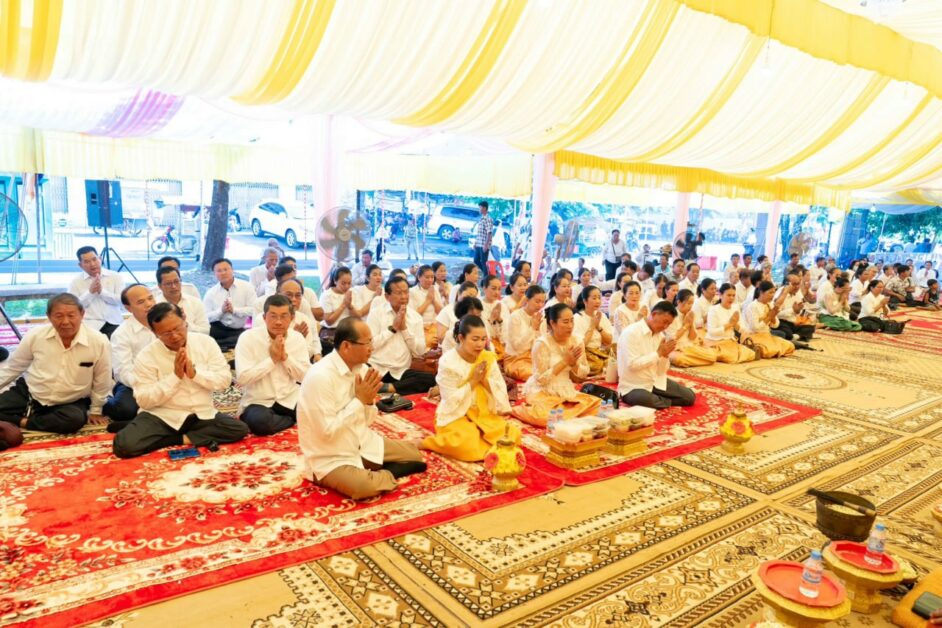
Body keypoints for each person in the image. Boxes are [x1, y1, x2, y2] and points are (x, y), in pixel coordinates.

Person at [297, 317, 426, 499]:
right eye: (367, 343)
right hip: (330, 456)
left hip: (361, 441)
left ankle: (373, 470)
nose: (371, 348)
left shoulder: (362, 369)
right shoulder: (320, 377)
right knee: (363, 488)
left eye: (371, 342)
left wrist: (368, 402)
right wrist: (359, 401)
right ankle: (388, 473)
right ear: (346, 346)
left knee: (414, 455)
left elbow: (367, 421)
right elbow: (327, 433)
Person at [112, 303, 247, 458]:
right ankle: (188, 436)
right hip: (162, 416)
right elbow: (144, 400)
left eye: (177, 328)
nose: (175, 336)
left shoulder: (206, 343)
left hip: (200, 413)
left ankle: (171, 440)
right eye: (166, 333)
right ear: (154, 333)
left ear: (184, 319)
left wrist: (195, 374)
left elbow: (224, 381)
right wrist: (175, 377)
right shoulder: (146, 356)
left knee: (239, 429)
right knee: (124, 446)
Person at [0, 294, 112, 442]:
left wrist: (96, 410)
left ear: (82, 314)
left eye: (71, 315)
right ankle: (35, 418)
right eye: (59, 316)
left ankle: (22, 420)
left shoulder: (98, 341)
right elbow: (14, 367)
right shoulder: (36, 335)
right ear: (49, 316)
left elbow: (102, 378)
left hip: (70, 401)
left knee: (74, 420)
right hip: (31, 393)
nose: (65, 322)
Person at [422, 315, 517, 461]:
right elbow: (450, 399)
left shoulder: (487, 357)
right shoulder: (448, 361)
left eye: (483, 339)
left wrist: (483, 379)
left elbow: (499, 389)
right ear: (461, 338)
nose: (480, 344)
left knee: (512, 434)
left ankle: (484, 442)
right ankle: (427, 443)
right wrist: (473, 380)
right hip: (457, 414)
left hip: (482, 412)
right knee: (466, 442)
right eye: (475, 339)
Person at [514, 303, 600, 426]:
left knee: (598, 405)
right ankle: (523, 411)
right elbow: (541, 380)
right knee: (546, 417)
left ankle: (568, 413)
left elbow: (584, 373)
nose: (570, 326)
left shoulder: (577, 341)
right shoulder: (542, 344)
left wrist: (574, 364)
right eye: (565, 322)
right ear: (553, 323)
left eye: (572, 321)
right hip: (543, 390)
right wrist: (564, 362)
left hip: (565, 389)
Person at [235, 295, 310, 436]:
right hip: (259, 401)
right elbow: (243, 378)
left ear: (292, 318)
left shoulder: (297, 338)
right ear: (264, 318)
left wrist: (285, 358)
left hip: (289, 397)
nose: (278, 322)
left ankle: (288, 418)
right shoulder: (248, 338)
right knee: (261, 423)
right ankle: (291, 419)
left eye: (284, 316)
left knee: (318, 409)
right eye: (273, 316)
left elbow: (305, 376)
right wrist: (272, 360)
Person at [617, 302, 696, 409]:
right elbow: (632, 365)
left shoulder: (660, 336)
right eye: (665, 322)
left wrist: (665, 356)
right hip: (633, 386)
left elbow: (660, 372)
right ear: (654, 314)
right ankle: (660, 399)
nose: (665, 327)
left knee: (690, 397)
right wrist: (658, 353)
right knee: (647, 399)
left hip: (655, 381)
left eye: (669, 324)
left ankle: (660, 399)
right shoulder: (631, 333)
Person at [367, 276, 436, 396]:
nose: (404, 297)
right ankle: (390, 387)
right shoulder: (376, 314)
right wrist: (393, 329)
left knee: (429, 379)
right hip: (375, 367)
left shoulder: (415, 317)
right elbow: (370, 345)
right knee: (356, 372)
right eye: (399, 293)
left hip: (400, 372)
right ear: (387, 296)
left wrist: (404, 329)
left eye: (406, 292)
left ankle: (388, 387)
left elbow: (420, 352)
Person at [103, 284, 156, 424]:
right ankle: (105, 401)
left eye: (150, 298)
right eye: (141, 302)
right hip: (135, 382)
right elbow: (122, 372)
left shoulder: (165, 323)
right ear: (128, 308)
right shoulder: (121, 334)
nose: (149, 304)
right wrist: (147, 386)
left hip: (166, 378)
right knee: (126, 410)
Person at [69, 246, 125, 338]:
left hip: (114, 323)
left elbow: (122, 301)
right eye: (87, 262)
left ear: (100, 259)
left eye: (94, 259)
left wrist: (102, 292)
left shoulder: (116, 277)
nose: (92, 264)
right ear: (80, 265)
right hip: (89, 325)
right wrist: (90, 292)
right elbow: (73, 307)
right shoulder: (75, 282)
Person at [203, 258, 256, 351]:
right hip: (219, 328)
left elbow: (254, 309)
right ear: (214, 274)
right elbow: (205, 317)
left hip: (238, 328)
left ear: (232, 270)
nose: (223, 273)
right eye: (219, 271)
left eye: (225, 269)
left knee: (247, 337)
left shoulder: (247, 287)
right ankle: (225, 344)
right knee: (205, 335)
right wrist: (221, 311)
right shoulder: (211, 293)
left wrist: (234, 310)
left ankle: (222, 344)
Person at [741, 281, 795, 358]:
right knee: (769, 350)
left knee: (790, 346)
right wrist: (769, 317)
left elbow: (776, 325)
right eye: (770, 292)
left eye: (773, 292)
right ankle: (757, 349)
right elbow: (755, 328)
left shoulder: (770, 304)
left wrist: (773, 316)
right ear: (761, 292)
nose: (772, 295)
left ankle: (764, 350)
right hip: (753, 335)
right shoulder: (753, 306)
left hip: (766, 335)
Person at [504, 285, 547, 381]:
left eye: (543, 302)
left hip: (534, 357)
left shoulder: (541, 317)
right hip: (515, 359)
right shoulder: (515, 317)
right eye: (537, 301)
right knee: (534, 375)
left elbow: (542, 343)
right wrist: (533, 328)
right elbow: (517, 347)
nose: (540, 305)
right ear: (527, 300)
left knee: (555, 369)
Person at [704, 284, 756, 363]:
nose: (731, 298)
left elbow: (743, 329)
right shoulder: (713, 309)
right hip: (716, 342)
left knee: (750, 354)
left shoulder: (735, 308)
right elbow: (712, 332)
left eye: (733, 295)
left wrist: (735, 325)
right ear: (720, 295)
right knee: (730, 357)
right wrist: (729, 325)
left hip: (729, 341)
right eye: (728, 295)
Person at [667, 290, 717, 368]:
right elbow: (673, 339)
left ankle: (690, 359)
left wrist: (691, 324)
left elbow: (692, 337)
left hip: (688, 347)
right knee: (679, 359)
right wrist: (686, 325)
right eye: (688, 303)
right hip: (675, 349)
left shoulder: (690, 314)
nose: (691, 306)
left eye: (692, 303)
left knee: (712, 356)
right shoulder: (672, 316)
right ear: (679, 302)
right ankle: (691, 359)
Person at [155, 266, 210, 334]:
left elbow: (206, 331)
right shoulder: (155, 306)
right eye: (168, 283)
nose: (174, 286)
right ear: (159, 286)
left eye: (176, 281)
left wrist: (184, 324)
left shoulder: (195, 302)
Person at [277, 279, 322, 361]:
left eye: (298, 295)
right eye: (289, 295)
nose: (294, 299)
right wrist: (295, 338)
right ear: (278, 295)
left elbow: (308, 351)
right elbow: (268, 352)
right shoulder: (266, 319)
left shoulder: (303, 319)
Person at [574, 285, 614, 377]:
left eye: (599, 298)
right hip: (586, 353)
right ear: (585, 301)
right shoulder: (577, 318)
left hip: (600, 352)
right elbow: (581, 345)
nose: (598, 301)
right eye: (594, 298)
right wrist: (592, 326)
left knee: (616, 358)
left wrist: (598, 327)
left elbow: (609, 341)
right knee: (596, 365)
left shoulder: (602, 315)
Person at [320, 266, 355, 352]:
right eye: (343, 283)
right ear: (335, 281)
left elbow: (357, 316)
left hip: (349, 330)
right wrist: (343, 305)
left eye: (349, 283)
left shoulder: (352, 293)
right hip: (331, 331)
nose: (347, 286)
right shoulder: (327, 295)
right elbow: (329, 321)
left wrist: (350, 306)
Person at [774, 271, 816, 342]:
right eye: (794, 284)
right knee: (786, 332)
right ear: (787, 284)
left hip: (793, 323)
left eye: (798, 284)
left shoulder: (798, 293)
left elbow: (800, 310)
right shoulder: (780, 294)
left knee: (811, 328)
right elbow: (776, 314)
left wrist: (798, 311)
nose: (797, 287)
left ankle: (795, 336)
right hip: (781, 322)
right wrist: (792, 310)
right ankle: (796, 336)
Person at [409, 265, 445, 348]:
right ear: (419, 277)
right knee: (430, 342)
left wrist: (433, 300)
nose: (430, 280)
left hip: (435, 326)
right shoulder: (412, 292)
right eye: (427, 277)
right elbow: (414, 316)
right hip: (421, 328)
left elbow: (441, 313)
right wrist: (428, 300)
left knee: (447, 339)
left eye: (432, 277)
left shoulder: (434, 289)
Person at [436, 281, 479, 347]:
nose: (470, 299)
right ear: (459, 293)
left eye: (473, 297)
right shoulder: (446, 311)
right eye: (468, 295)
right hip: (451, 348)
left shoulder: (474, 312)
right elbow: (441, 338)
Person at [481, 275, 506, 358]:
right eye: (493, 288)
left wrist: (499, 320)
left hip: (500, 344)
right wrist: (491, 319)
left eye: (499, 289)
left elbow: (506, 332)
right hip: (484, 345)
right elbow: (479, 330)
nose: (497, 292)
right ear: (484, 288)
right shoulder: (478, 305)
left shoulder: (502, 305)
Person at [473, 200, 494, 274]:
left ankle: (486, 276)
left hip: (484, 244)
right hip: (479, 243)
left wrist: (486, 245)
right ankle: (487, 273)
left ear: (484, 208)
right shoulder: (481, 218)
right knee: (476, 260)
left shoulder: (489, 219)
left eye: (480, 208)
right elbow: (479, 233)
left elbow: (489, 233)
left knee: (484, 262)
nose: (479, 209)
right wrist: (475, 243)